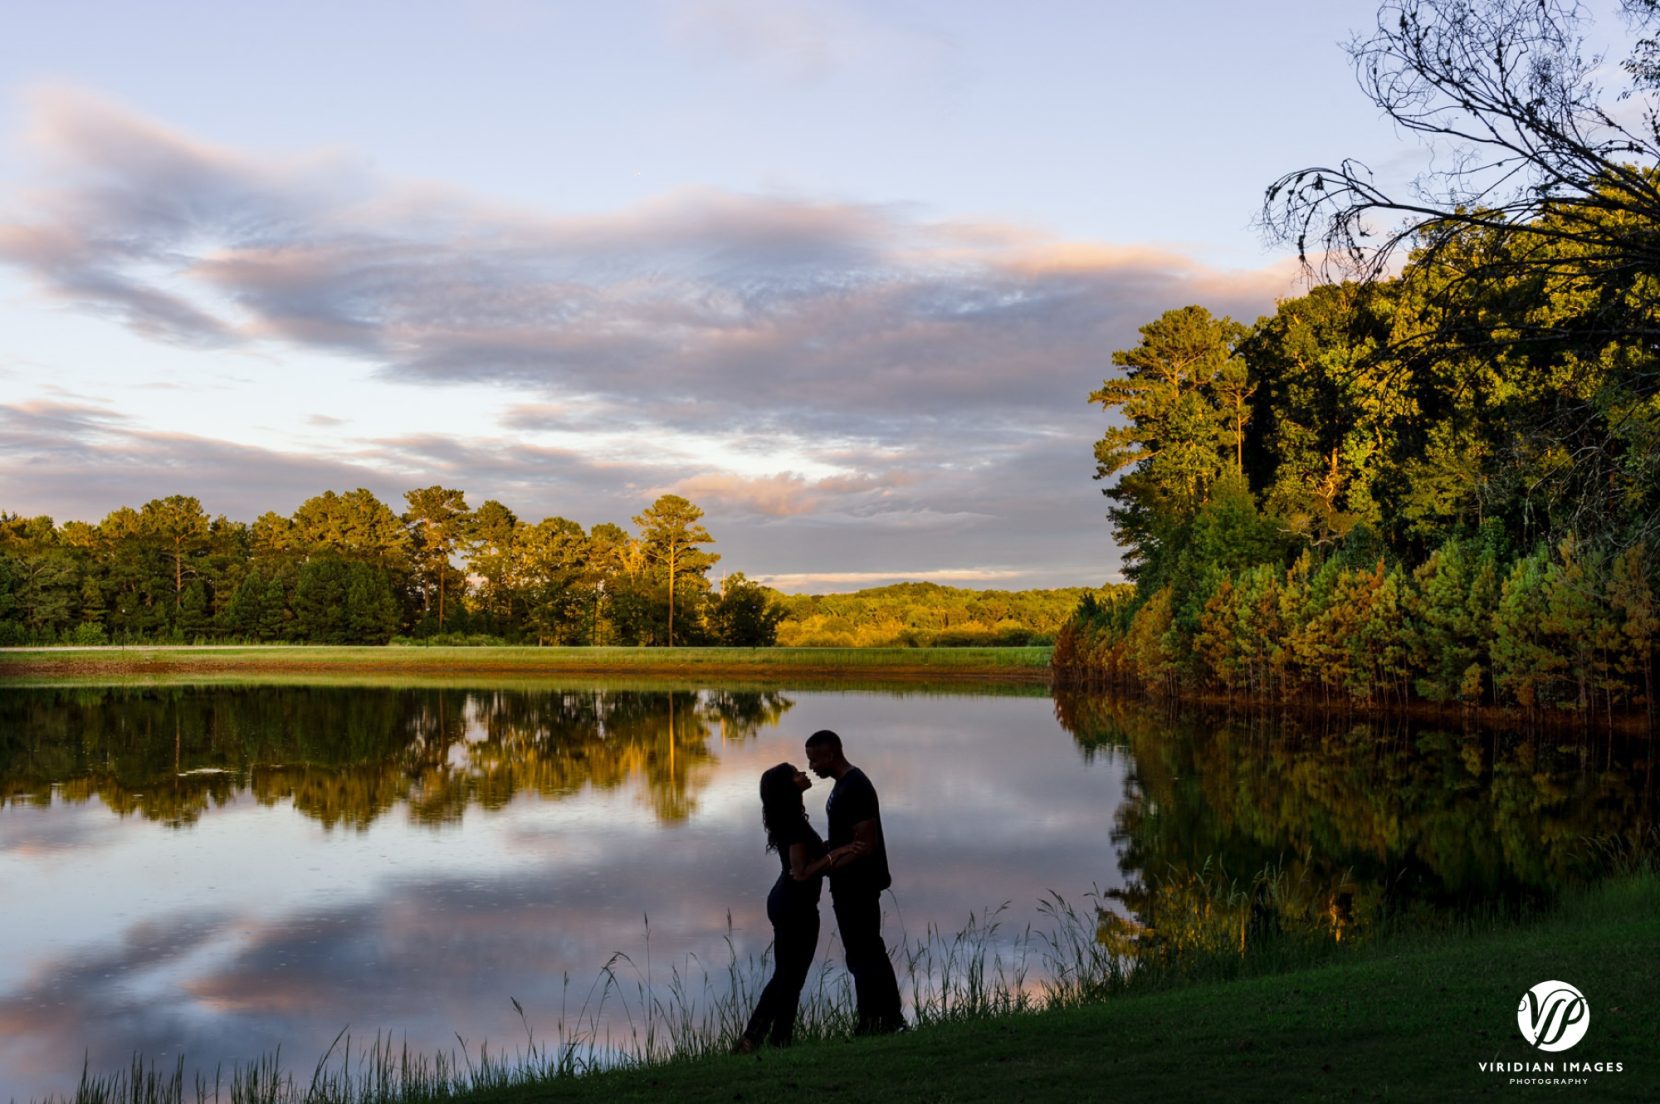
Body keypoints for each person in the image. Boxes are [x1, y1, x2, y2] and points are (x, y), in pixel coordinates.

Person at [734, 762, 856, 1053]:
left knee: (791, 976)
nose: (804, 774)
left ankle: (780, 1040)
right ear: (788, 786)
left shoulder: (791, 819)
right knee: (787, 977)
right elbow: (800, 872)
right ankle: (752, 1038)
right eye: (796, 772)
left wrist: (833, 846)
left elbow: (805, 858)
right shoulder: (794, 824)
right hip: (794, 906)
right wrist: (836, 854)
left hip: (789, 903)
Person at [804, 729, 904, 1035]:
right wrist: (829, 850)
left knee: (864, 952)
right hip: (847, 885)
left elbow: (866, 845)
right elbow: (847, 841)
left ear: (831, 753)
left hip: (858, 885)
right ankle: (885, 1018)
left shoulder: (855, 787)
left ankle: (875, 1020)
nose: (811, 767)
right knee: (863, 951)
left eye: (814, 759)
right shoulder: (842, 787)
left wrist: (825, 865)